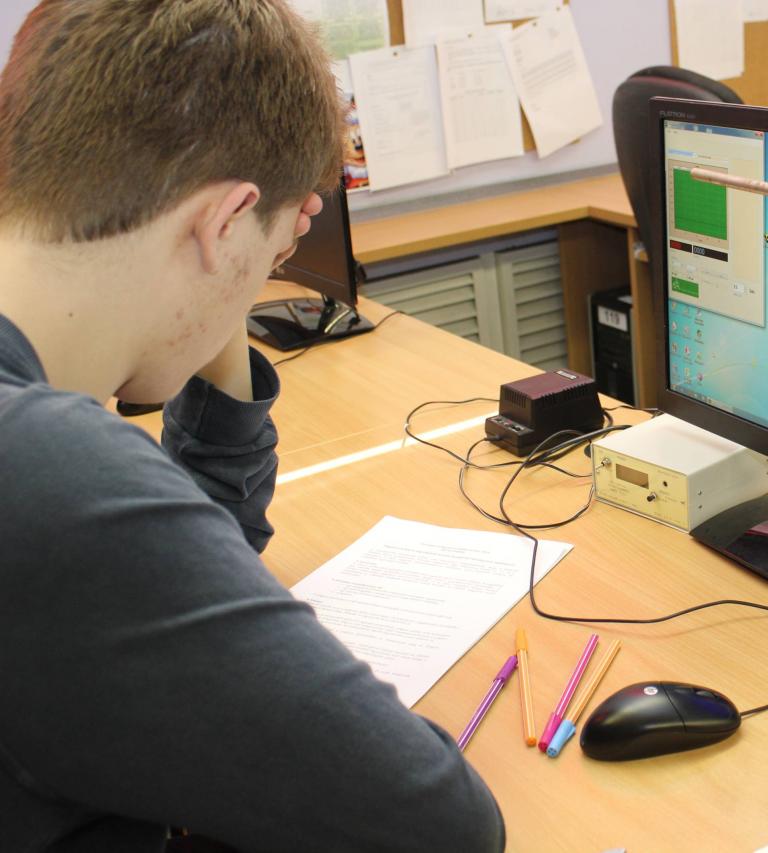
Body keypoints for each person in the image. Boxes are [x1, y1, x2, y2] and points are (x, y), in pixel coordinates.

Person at [0, 1, 504, 850]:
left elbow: (167, 584)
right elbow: (439, 824)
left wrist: (226, 267)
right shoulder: (45, 472)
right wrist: (230, 264)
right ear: (224, 221)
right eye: (272, 261)